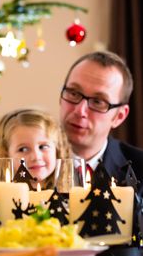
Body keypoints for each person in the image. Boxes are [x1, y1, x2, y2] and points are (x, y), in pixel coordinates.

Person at [0, 108, 71, 236]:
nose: (36, 156)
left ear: (57, 150)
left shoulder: (67, 197)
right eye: (23, 149)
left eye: (43, 146)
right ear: (6, 154)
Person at [59, 51, 143, 197]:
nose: (80, 111)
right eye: (73, 93)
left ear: (119, 116)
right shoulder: (30, 159)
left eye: (98, 102)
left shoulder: (140, 168)